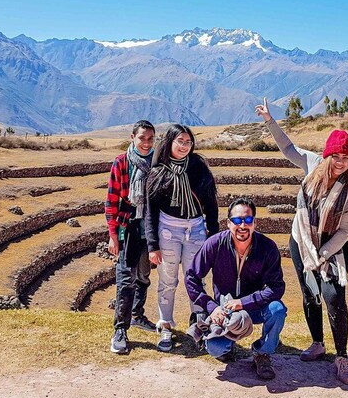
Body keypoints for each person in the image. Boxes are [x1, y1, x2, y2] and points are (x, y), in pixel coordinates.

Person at [255, 98, 348, 385]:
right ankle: (318, 343)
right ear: (327, 156)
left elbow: (346, 231)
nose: (340, 162)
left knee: (333, 297)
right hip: (301, 241)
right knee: (309, 294)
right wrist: (270, 121)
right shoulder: (313, 165)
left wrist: (323, 254)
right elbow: (288, 148)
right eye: (336, 156)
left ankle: (341, 356)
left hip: (334, 249)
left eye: (346, 157)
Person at [185, 197, 287, 380]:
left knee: (277, 310)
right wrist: (211, 307)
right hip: (224, 311)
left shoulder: (267, 247)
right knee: (216, 349)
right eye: (237, 220)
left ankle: (262, 353)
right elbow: (192, 277)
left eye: (248, 220)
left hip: (254, 307)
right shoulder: (215, 244)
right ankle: (227, 344)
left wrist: (244, 302)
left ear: (254, 222)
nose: (243, 226)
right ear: (228, 223)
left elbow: (276, 287)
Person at [145, 123, 218, 352]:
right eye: (180, 141)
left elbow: (211, 204)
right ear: (170, 142)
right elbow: (151, 212)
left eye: (188, 142)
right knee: (167, 280)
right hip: (168, 230)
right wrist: (152, 245)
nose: (185, 146)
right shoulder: (159, 172)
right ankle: (165, 324)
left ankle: (199, 324)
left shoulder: (198, 167)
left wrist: (213, 236)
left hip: (196, 229)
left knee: (195, 278)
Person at [105, 120, 157, 354]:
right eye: (142, 138)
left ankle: (137, 315)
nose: (146, 143)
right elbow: (112, 201)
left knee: (144, 275)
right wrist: (113, 236)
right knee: (126, 278)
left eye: (150, 139)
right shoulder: (121, 162)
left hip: (151, 226)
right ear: (132, 138)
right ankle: (120, 329)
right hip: (129, 227)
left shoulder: (158, 162)